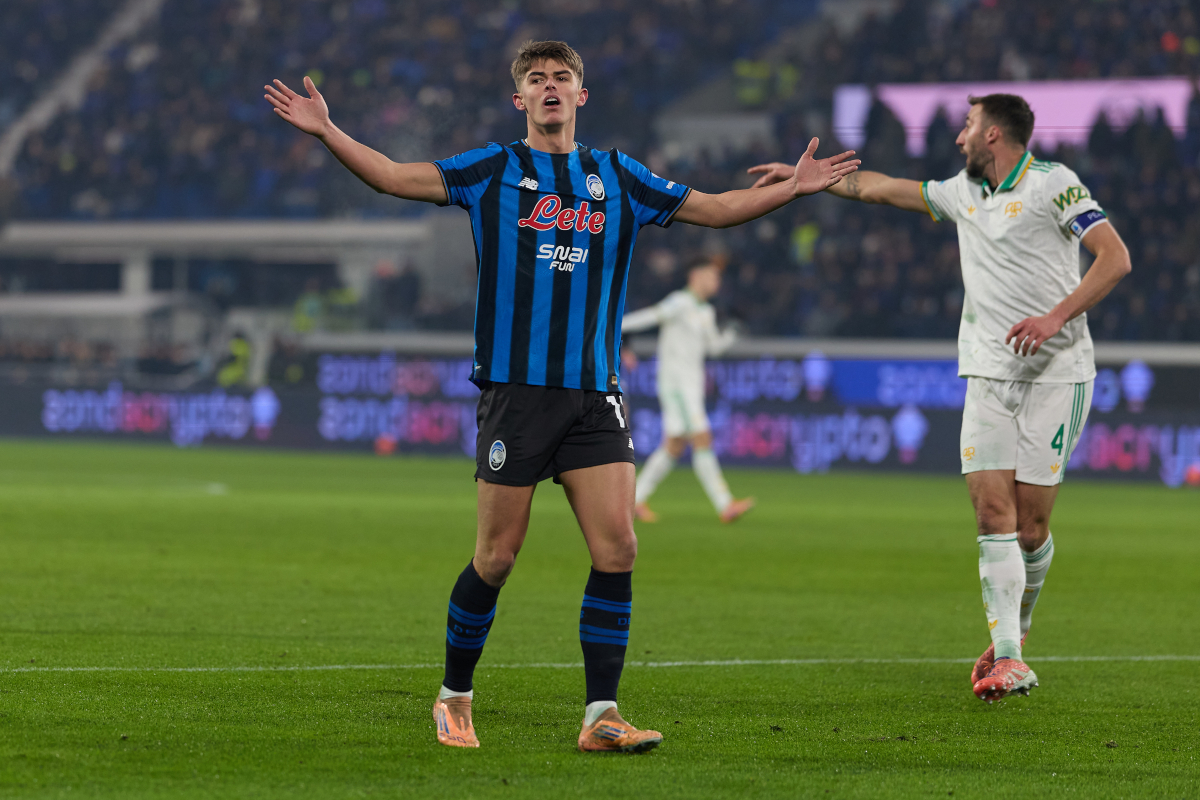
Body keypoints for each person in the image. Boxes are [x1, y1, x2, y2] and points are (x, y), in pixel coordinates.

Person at [266, 39, 858, 752]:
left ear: (582, 95)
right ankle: (454, 695)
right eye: (537, 79)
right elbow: (394, 177)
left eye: (563, 78)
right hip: (517, 394)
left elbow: (718, 208)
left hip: (593, 395)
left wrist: (792, 187)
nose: (551, 87)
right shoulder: (494, 170)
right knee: (497, 558)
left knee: (619, 548)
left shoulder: (619, 177)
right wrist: (329, 131)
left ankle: (600, 716)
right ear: (520, 100)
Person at [751, 93, 1130, 703]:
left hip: (1057, 375)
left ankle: (1019, 626)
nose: (958, 137)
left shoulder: (1053, 185)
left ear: (995, 135)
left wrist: (1055, 317)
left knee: (1031, 528)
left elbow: (1115, 257)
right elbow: (885, 189)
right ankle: (1009, 655)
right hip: (985, 372)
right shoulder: (962, 191)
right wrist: (815, 184)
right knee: (991, 515)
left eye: (967, 125)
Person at [622, 256, 755, 523]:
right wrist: (615, 325)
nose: (717, 281)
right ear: (696, 276)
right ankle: (725, 504)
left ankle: (634, 501)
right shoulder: (679, 302)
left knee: (673, 446)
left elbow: (713, 348)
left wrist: (732, 332)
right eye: (712, 275)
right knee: (702, 438)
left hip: (691, 384)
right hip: (677, 385)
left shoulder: (704, 311)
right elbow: (650, 317)